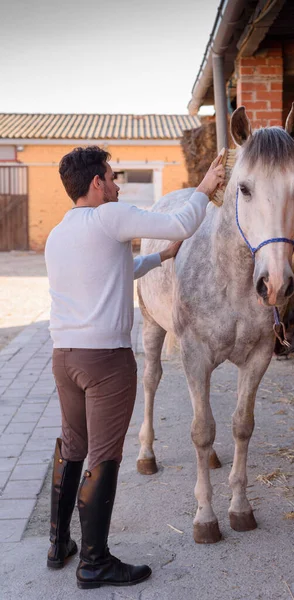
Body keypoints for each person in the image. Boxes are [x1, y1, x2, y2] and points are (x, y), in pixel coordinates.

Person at [44, 145, 225, 589]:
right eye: (111, 176)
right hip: (105, 362)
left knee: (72, 446)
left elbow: (112, 270)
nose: (117, 184)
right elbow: (180, 222)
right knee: (104, 456)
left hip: (64, 358)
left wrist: (160, 258)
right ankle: (95, 562)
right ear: (95, 184)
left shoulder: (58, 234)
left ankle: (58, 544)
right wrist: (203, 188)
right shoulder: (111, 217)